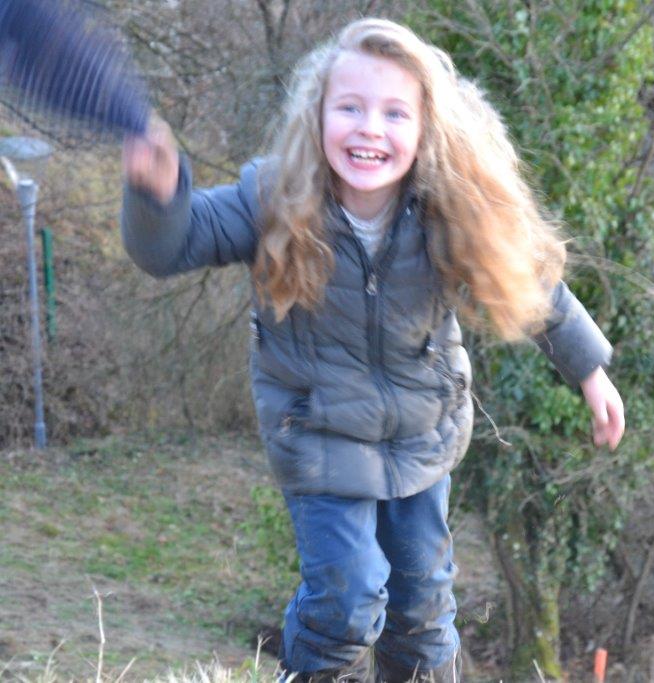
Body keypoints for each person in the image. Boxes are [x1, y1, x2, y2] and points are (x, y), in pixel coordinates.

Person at [121, 18, 624, 683]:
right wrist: (158, 195)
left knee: (423, 611)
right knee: (349, 598)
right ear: (318, 115)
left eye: (394, 113)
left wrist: (589, 371)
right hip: (320, 438)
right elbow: (171, 247)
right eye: (351, 108)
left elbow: (529, 280)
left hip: (420, 439)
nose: (370, 129)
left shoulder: (450, 207)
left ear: (425, 127)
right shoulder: (273, 198)